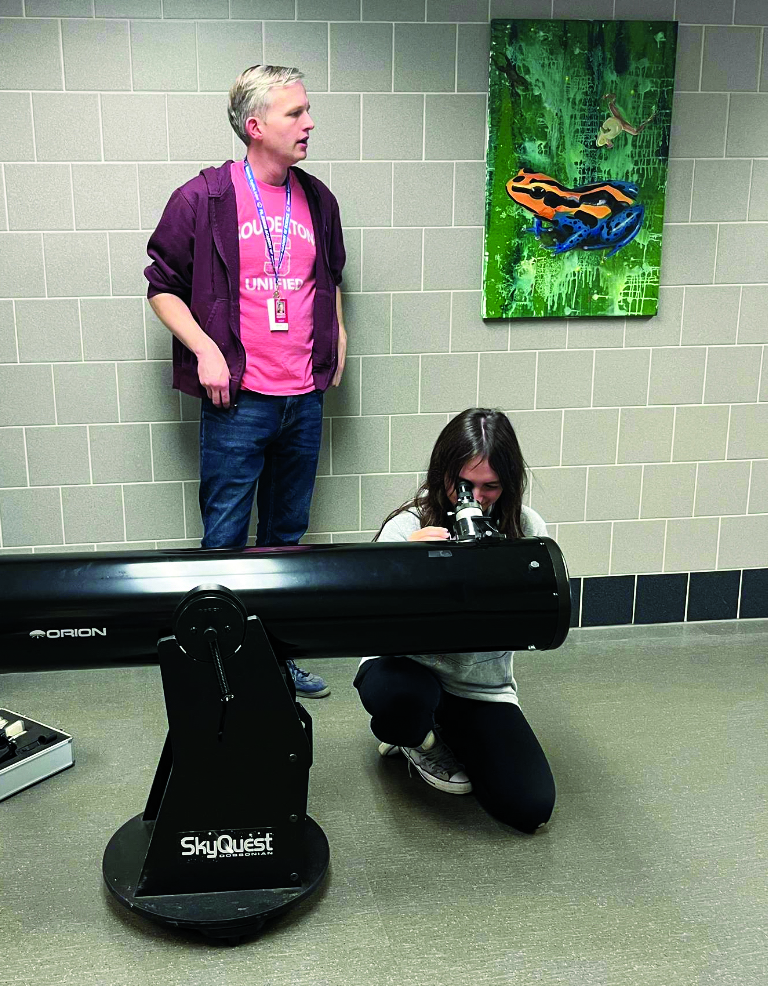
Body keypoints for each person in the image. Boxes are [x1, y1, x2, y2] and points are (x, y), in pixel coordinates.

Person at [145, 65, 347, 699]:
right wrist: (205, 350)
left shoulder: (318, 200)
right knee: (226, 542)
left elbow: (327, 281)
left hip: (302, 398)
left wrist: (339, 335)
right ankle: (215, 668)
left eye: (308, 111)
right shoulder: (203, 199)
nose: (309, 123)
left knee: (285, 542)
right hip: (239, 401)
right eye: (296, 114)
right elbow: (161, 287)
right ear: (255, 127)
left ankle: (276, 660)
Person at [354, 408, 556, 833]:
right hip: (405, 671)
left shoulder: (525, 528)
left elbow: (540, 618)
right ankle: (416, 739)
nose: (477, 499)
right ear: (443, 473)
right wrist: (404, 564)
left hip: (478, 686)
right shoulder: (407, 525)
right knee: (400, 699)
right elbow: (365, 616)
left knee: (530, 806)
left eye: (491, 487)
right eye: (465, 486)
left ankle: (447, 726)